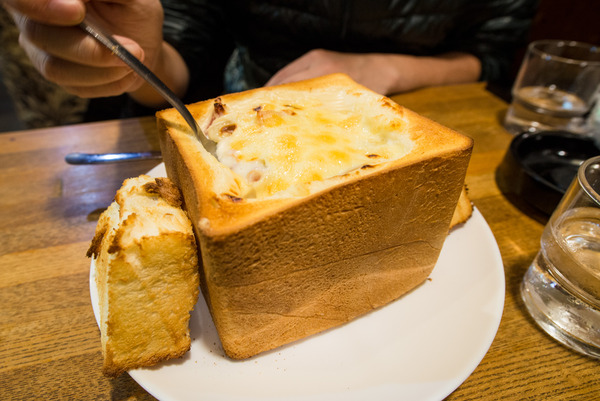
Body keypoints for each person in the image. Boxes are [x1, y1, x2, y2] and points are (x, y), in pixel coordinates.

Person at [2, 0, 538, 116]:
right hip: (249, 102)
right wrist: (134, 58)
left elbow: (493, 60)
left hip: (420, 109)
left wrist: (392, 67)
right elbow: (187, 58)